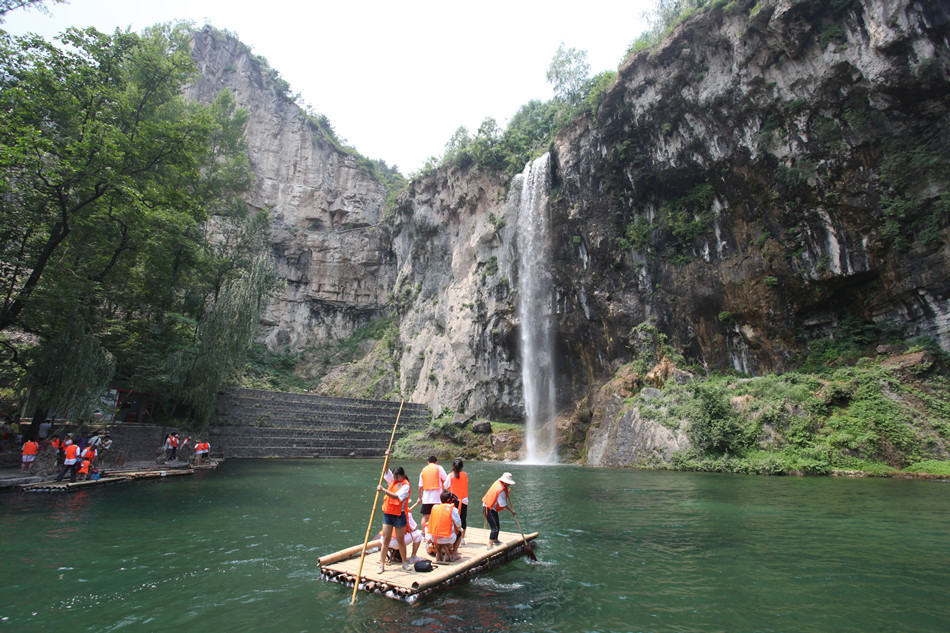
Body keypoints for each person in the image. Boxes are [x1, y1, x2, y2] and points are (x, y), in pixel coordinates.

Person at [376, 455, 413, 574]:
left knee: (400, 540)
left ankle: (404, 563)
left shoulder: (406, 486)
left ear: (403, 476)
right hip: (388, 514)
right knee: (386, 539)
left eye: (398, 476)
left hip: (399, 515)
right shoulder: (393, 481)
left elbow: (396, 496)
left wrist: (383, 490)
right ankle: (381, 564)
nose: (396, 478)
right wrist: (387, 457)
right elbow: (386, 470)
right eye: (395, 476)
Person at [426, 490, 463, 562]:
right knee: (460, 533)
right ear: (450, 500)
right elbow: (458, 524)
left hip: (434, 538)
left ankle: (440, 550)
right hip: (447, 538)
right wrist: (458, 528)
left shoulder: (434, 507)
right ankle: (454, 554)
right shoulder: (453, 509)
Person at [482, 472, 517, 549]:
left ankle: (495, 540)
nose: (509, 484)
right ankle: (490, 545)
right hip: (489, 508)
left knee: (497, 524)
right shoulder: (501, 490)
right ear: (504, 481)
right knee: (495, 527)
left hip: (491, 507)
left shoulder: (498, 483)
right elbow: (503, 504)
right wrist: (512, 511)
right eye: (507, 483)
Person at [417, 455, 448, 533]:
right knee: (437, 516)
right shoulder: (438, 468)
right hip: (437, 497)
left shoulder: (423, 470)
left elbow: (420, 487)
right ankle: (436, 532)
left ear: (428, 462)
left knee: (425, 516)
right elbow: (446, 479)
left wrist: (419, 498)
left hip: (426, 498)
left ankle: (424, 533)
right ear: (436, 462)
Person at [447, 458, 469, 544]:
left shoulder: (450, 476)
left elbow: (445, 486)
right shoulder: (465, 474)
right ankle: (462, 538)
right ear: (462, 467)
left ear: (453, 466)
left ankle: (455, 537)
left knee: (454, 519)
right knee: (463, 518)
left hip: (454, 500)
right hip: (464, 499)